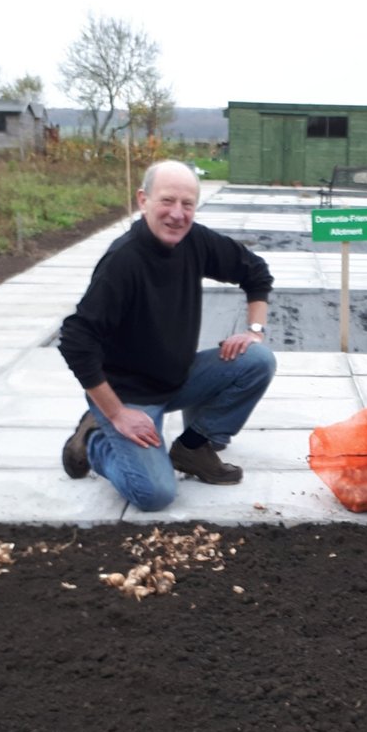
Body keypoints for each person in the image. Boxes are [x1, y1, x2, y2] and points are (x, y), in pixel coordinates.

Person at [58, 160, 276, 512]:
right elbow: (75, 339)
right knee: (155, 493)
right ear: (143, 200)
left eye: (187, 204)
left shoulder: (195, 241)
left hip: (177, 377)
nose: (178, 214)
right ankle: (95, 438)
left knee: (257, 360)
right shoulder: (123, 261)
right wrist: (115, 413)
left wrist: (254, 330)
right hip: (128, 395)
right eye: (167, 201)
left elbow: (256, 272)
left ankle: (192, 446)